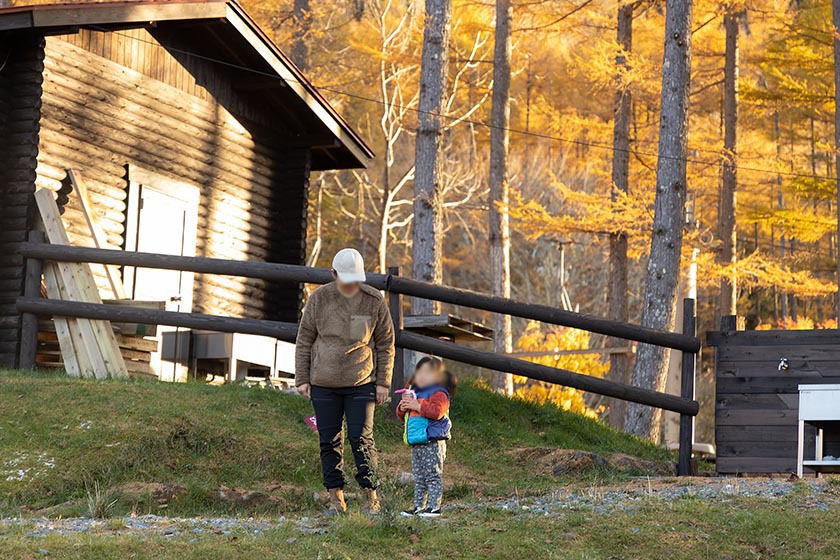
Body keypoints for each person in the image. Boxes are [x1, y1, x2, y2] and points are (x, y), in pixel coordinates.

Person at [295, 248, 395, 515]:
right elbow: (304, 340)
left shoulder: (374, 301)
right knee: (329, 440)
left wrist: (383, 382)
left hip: (362, 381)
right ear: (333, 274)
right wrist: (302, 378)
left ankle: (370, 497)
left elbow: (386, 343)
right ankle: (336, 498)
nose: (351, 283)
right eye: (345, 277)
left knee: (361, 439)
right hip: (323, 382)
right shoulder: (319, 299)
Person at [396, 356, 457, 518]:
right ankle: (418, 507)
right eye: (419, 372)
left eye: (428, 373)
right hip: (417, 443)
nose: (422, 376)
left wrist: (417, 405)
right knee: (419, 477)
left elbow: (437, 412)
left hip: (432, 442)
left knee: (432, 475)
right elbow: (406, 419)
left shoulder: (439, 394)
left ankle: (434, 507)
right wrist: (403, 408)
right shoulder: (415, 393)